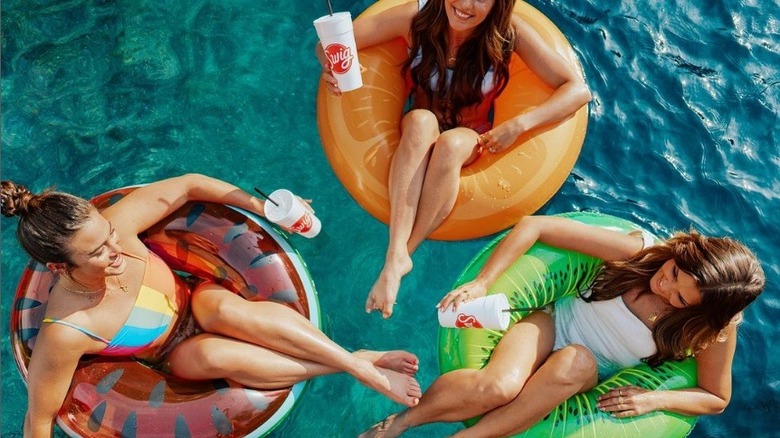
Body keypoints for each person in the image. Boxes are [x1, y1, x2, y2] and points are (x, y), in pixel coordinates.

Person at [1, 174, 422, 437]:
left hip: (199, 300)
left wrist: (265, 208)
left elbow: (188, 183)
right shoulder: (68, 329)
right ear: (59, 267)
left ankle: (360, 366)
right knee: (209, 352)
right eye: (96, 252)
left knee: (221, 309)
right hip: (173, 354)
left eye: (109, 233)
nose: (116, 248)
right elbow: (38, 419)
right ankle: (357, 362)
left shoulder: (120, 228)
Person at [359, 214, 765, 437]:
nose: (664, 284)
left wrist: (653, 400)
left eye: (679, 298)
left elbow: (715, 397)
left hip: (588, 373)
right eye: (676, 271)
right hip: (550, 324)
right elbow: (536, 225)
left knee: (577, 362)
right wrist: (482, 282)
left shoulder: (711, 333)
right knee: (499, 386)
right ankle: (402, 422)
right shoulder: (642, 253)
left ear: (700, 313)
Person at [318, 0, 592, 318]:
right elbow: (333, 43)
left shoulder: (509, 34)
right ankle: (397, 255)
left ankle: (402, 255)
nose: (464, 4)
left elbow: (577, 90)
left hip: (470, 138)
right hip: (419, 125)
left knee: (450, 143)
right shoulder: (416, 17)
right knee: (422, 123)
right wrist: (330, 68)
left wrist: (519, 125)